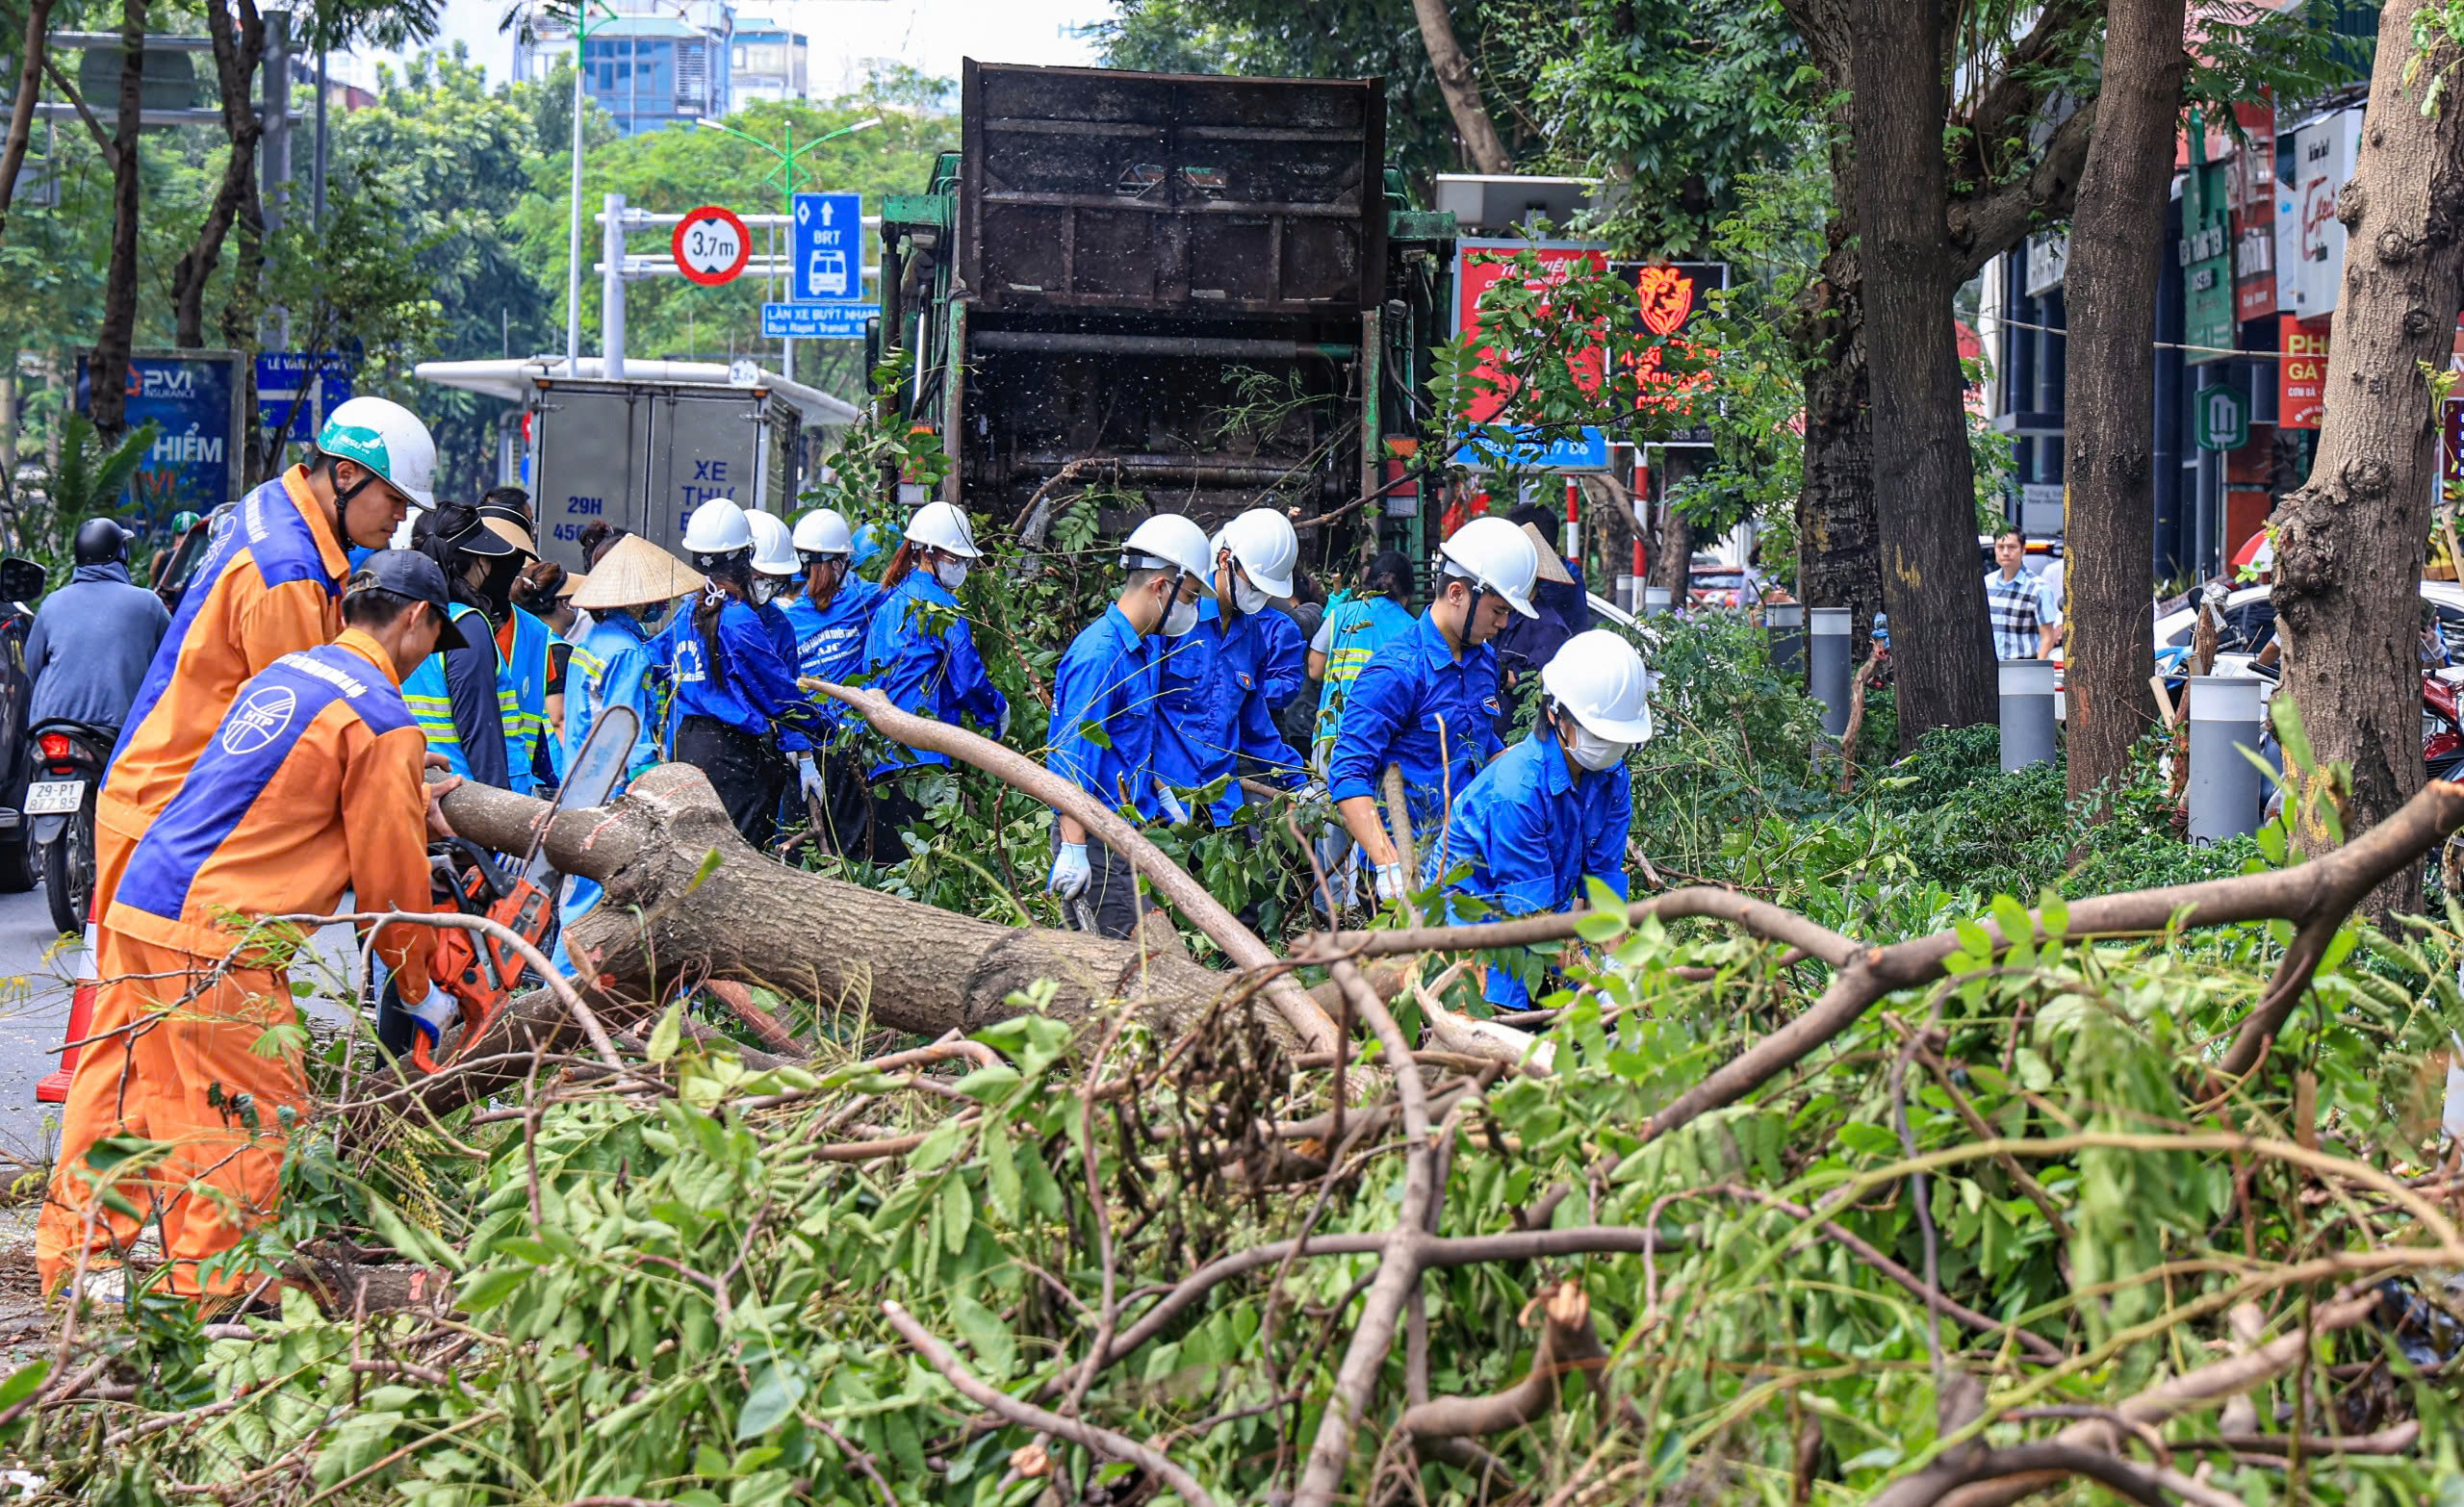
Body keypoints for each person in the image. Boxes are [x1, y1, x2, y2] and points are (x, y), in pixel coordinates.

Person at [38, 549, 471, 1304]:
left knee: (132, 1092)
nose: (429, 653)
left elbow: (284, 789)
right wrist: (418, 987)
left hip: (144, 900)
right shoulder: (381, 723)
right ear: (416, 619)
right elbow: (390, 891)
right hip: (218, 937)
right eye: (434, 636)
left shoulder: (291, 676)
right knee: (250, 1119)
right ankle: (218, 1303)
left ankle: (77, 1266)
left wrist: (406, 783)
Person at [99, 396, 435, 931]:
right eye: (395, 498)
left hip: (161, 799)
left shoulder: (275, 509)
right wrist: (401, 789)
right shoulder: (289, 574)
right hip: (173, 819)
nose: (401, 515)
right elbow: (308, 736)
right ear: (345, 475)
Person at [1327, 516, 1538, 906]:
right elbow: (1347, 772)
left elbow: (1478, 740)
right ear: (1457, 592)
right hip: (1407, 871)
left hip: (1470, 864)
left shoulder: (1484, 662)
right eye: (1497, 610)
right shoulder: (1395, 671)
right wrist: (1391, 864)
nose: (1504, 623)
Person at [1433, 630, 1648, 1011]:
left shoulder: (1612, 778)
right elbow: (1533, 916)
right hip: (1474, 931)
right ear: (1555, 712)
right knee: (1504, 1035)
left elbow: (1602, 884)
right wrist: (1595, 982)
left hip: (1543, 919)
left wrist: (1618, 965)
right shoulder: (1518, 791)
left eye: (1617, 738)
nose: (1608, 747)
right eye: (1597, 733)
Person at [1047, 514, 1213, 937]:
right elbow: (1071, 760)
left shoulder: (1145, 649)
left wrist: (1159, 790)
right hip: (1095, 839)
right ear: (1161, 586)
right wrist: (1073, 846)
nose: (1192, 609)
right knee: (1117, 971)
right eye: (1190, 597)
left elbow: (1135, 740)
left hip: (1131, 830)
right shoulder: (1100, 656)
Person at [554, 534, 701, 974]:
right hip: (609, 792)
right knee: (594, 902)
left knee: (577, 894)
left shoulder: (594, 642)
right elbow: (627, 729)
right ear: (639, 603)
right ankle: (564, 997)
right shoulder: (628, 652)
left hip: (578, 779)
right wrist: (650, 786)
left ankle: (560, 993)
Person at [670, 498, 828, 848]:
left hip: (690, 750)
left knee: (695, 855)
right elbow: (778, 694)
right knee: (736, 859)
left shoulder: (689, 612)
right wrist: (827, 726)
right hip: (733, 757)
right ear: (746, 557)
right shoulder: (738, 618)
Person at [859, 501, 1008, 861]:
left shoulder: (889, 602)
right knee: (927, 869)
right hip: (924, 760)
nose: (962, 568)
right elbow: (968, 680)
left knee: (891, 871)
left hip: (882, 760)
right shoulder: (941, 608)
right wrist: (996, 710)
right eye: (957, 558)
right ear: (930, 553)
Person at [1153, 508, 1308, 824]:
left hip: (1222, 807)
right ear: (1225, 560)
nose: (1259, 596)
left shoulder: (1252, 638)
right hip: (1162, 800)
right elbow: (1136, 712)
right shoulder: (1176, 615)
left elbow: (1256, 728)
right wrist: (1149, 789)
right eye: (1254, 584)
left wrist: (1299, 782)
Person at [782, 507, 885, 854]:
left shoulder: (865, 600)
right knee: (807, 844)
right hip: (811, 746)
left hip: (845, 745)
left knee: (842, 842)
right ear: (840, 562)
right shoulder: (791, 618)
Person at [400, 503, 521, 791]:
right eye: (487, 559)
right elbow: (481, 732)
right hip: (463, 797)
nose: (490, 568)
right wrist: (500, 813)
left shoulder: (400, 616)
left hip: (417, 783)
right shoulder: (466, 624)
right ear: (477, 562)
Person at [26, 518, 171, 735]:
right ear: (121, 555)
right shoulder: (147, 603)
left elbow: (32, 665)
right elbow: (176, 656)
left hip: (52, 724)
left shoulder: (52, 603)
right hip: (121, 726)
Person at [1309, 549, 1417, 774]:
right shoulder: (1412, 630)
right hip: (1379, 741)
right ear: (1407, 592)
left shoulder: (1341, 613)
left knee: (1322, 807)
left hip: (1331, 732)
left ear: (1367, 584)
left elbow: (1314, 670)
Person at [483, 519, 558, 794]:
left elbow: (535, 717)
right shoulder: (447, 621)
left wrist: (547, 779)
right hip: (452, 776)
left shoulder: (536, 634)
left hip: (515, 784)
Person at [1985, 529, 2060, 661]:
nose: (2006, 552)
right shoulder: (1987, 584)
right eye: (2000, 547)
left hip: (2022, 665)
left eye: (2012, 547)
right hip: (1989, 665)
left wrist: (2038, 667)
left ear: (2023, 550)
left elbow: (2048, 636)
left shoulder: (2038, 588)